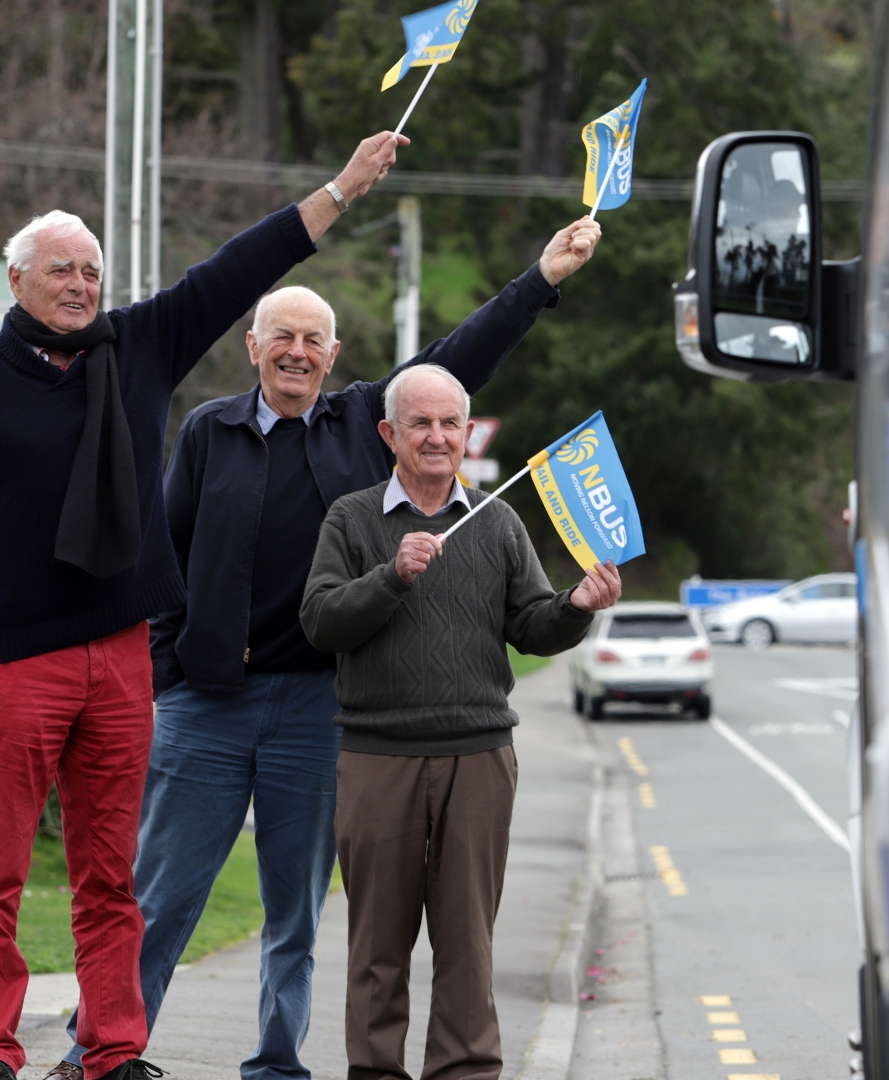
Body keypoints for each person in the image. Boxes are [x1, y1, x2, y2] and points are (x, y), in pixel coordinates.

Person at [0, 130, 408, 1080]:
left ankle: (114, 1052)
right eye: (61, 271)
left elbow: (241, 264)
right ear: (17, 281)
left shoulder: (137, 346)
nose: (81, 286)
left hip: (121, 656)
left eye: (92, 271)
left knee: (112, 877)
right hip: (12, 663)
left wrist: (341, 187)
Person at [51, 219, 604, 1080]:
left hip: (317, 707)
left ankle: (276, 1064)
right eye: (283, 339)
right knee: (157, 897)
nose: (298, 353)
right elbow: (160, 553)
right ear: (253, 348)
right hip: (207, 703)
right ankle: (98, 1053)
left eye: (313, 340)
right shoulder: (207, 433)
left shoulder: (361, 427)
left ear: (334, 352)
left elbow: (460, 361)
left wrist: (539, 277)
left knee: (296, 913)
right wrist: (166, 671)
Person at [299, 364, 622, 1080]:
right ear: (390, 434)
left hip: (478, 758)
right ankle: (375, 1071)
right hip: (378, 758)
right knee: (376, 948)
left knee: (467, 944)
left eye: (451, 423)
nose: (438, 436)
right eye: (421, 423)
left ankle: (466, 1070)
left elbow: (532, 628)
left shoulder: (498, 521)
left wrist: (575, 606)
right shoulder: (351, 519)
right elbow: (320, 622)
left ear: (470, 433)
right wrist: (391, 576)